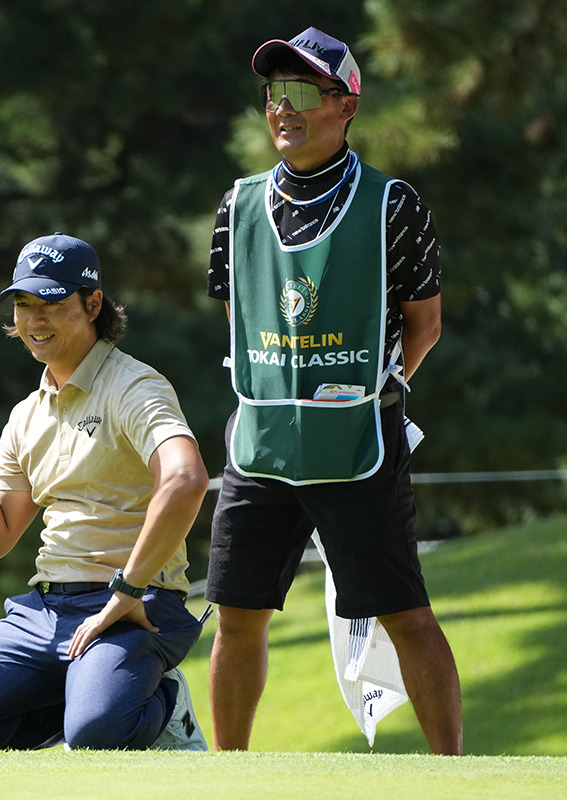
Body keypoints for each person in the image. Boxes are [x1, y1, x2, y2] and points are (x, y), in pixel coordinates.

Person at [203, 27, 463, 755]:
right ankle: (229, 777)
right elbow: (240, 318)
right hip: (260, 448)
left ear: (346, 105)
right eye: (273, 92)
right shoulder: (236, 206)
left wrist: (373, 393)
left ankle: (456, 777)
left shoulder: (393, 204)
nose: (282, 107)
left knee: (405, 613)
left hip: (358, 444)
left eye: (301, 92)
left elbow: (425, 323)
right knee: (236, 616)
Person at [0, 232, 211, 751]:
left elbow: (186, 479)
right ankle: (81, 698)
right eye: (24, 304)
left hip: (131, 607)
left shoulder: (134, 386)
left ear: (93, 304)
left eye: (52, 303)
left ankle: (163, 702)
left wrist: (127, 590)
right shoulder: (26, 414)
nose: (35, 319)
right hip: (44, 612)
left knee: (97, 733)